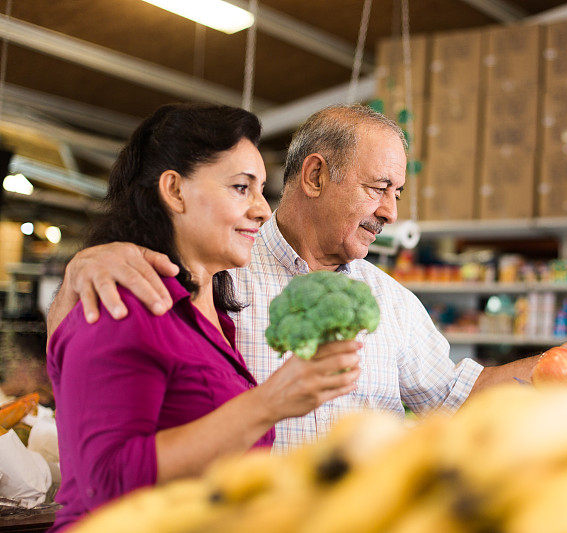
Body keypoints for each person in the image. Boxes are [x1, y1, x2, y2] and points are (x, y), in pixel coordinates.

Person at [47, 105, 567, 454]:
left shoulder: (390, 301)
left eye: (397, 191)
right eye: (377, 188)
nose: (392, 212)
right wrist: (90, 259)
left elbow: (457, 395)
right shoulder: (216, 265)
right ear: (314, 176)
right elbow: (98, 358)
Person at [46, 104, 361, 530]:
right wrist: (268, 403)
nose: (263, 211)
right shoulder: (125, 304)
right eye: (240, 187)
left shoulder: (212, 317)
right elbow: (102, 483)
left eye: (261, 190)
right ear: (174, 191)